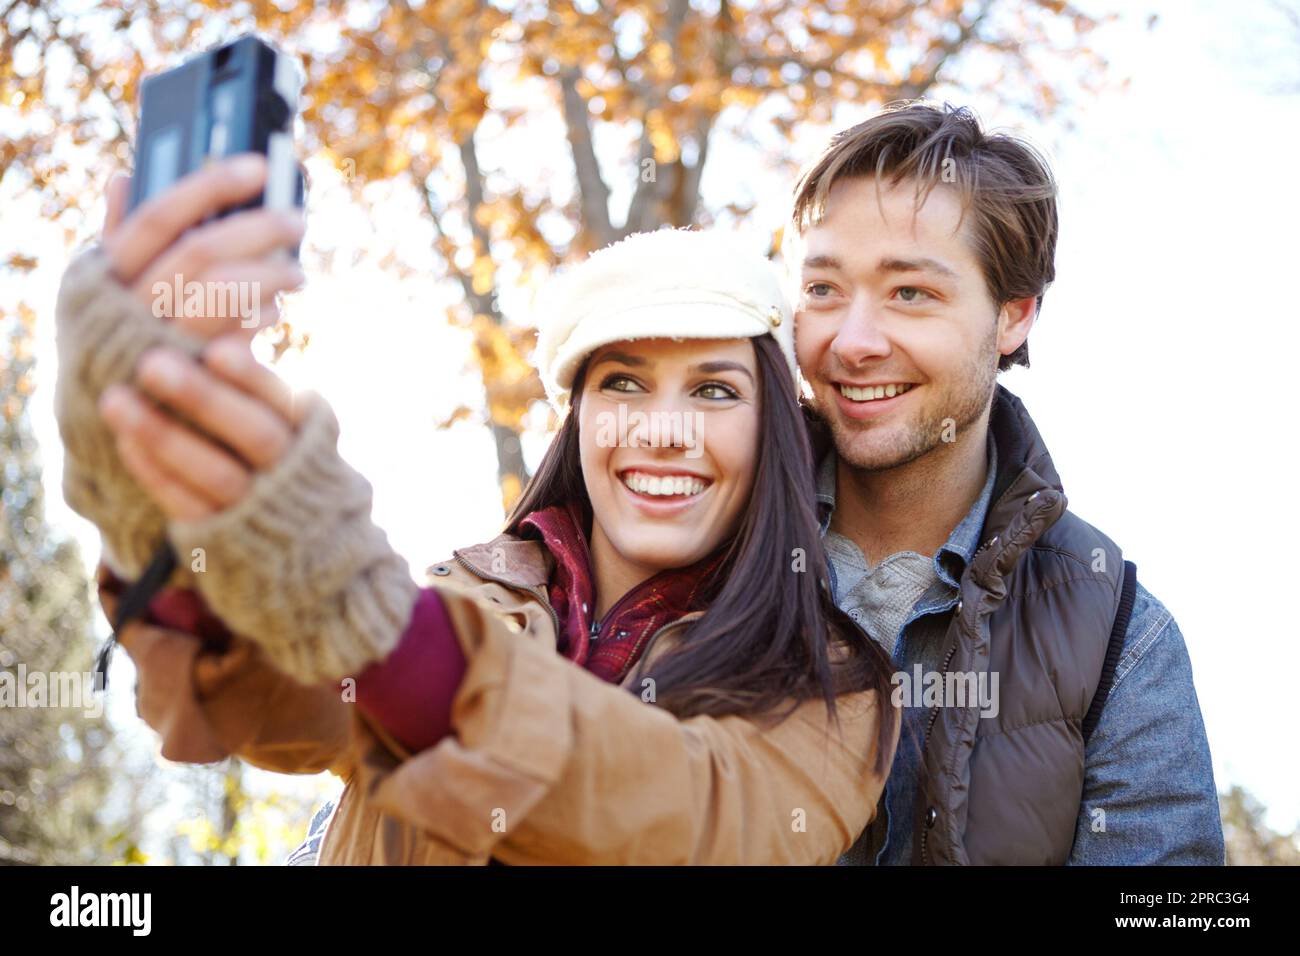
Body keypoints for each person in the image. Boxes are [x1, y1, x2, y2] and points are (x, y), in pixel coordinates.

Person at [55, 166, 899, 864]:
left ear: (773, 435)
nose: (662, 431)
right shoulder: (461, 600)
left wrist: (381, 627)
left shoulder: (833, 687)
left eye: (714, 390)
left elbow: (687, 823)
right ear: (579, 421)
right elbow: (256, 710)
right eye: (622, 384)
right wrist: (145, 487)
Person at [787, 102, 1224, 864]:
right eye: (823, 289)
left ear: (1014, 315)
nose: (851, 342)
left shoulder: (1119, 634)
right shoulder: (699, 549)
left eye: (910, 293)